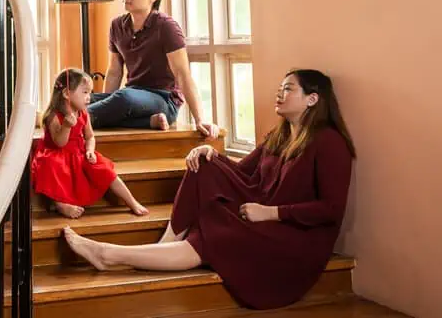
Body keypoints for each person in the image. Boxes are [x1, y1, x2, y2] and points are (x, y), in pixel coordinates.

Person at [63, 69, 356, 310]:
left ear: (312, 99)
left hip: (294, 235)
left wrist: (271, 213)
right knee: (203, 165)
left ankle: (111, 255)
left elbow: (330, 210)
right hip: (261, 212)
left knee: (214, 233)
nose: (279, 93)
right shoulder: (279, 135)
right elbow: (241, 172)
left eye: (289, 89)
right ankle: (162, 246)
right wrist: (207, 152)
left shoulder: (329, 143)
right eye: (280, 87)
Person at [88, 0, 218, 137]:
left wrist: (199, 119)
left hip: (164, 99)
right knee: (81, 98)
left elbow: (182, 74)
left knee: (122, 98)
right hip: (133, 96)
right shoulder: (117, 26)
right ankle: (149, 121)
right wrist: (106, 102)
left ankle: (75, 120)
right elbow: (114, 71)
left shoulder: (166, 27)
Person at [32, 68, 150, 219]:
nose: (89, 97)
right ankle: (60, 204)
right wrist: (66, 127)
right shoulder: (54, 116)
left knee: (105, 169)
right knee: (49, 164)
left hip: (79, 152)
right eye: (85, 92)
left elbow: (90, 136)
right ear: (67, 93)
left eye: (90, 92)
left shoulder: (83, 113)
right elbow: (60, 143)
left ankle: (131, 201)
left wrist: (89, 150)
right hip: (58, 153)